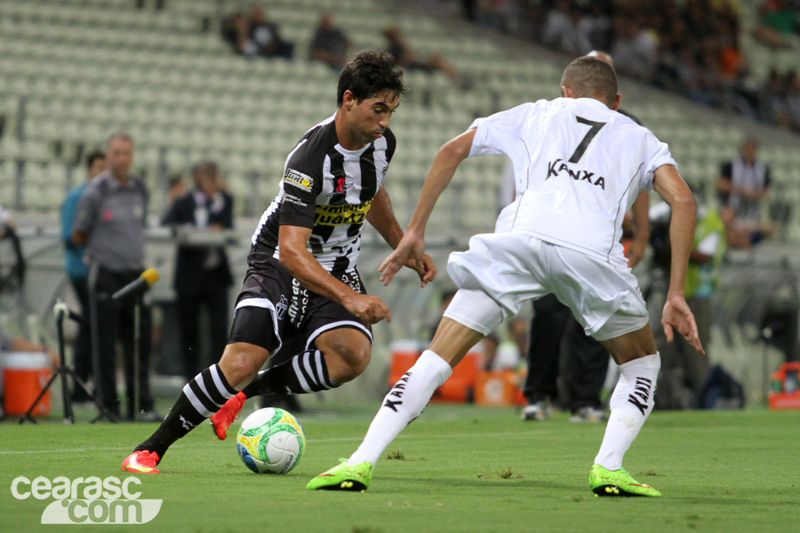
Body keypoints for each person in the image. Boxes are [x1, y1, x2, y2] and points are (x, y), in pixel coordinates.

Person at [308, 55, 703, 497]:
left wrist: (415, 230)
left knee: (437, 358)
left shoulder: (537, 111)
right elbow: (684, 202)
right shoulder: (640, 136)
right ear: (616, 102)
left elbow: (451, 150)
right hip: (592, 256)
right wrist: (674, 293)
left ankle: (361, 460)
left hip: (518, 246)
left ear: (565, 92)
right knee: (641, 365)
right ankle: (609, 467)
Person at [121, 50, 436, 474]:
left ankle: (243, 395)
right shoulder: (308, 160)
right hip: (279, 263)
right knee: (238, 363)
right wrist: (351, 298)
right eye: (378, 110)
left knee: (351, 357)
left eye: (392, 112)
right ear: (348, 99)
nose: (385, 122)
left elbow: (371, 190)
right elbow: (291, 250)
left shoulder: (381, 144)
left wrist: (403, 243)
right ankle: (149, 449)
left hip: (335, 264)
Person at [72, 133, 158, 422]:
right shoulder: (95, 192)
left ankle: (141, 406)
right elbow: (79, 233)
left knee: (138, 342)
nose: (122, 159)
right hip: (105, 274)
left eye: (127, 153)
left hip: (135, 276)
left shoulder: (139, 189)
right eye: (117, 153)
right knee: (105, 345)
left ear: (132, 157)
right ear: (108, 156)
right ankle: (109, 406)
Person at [649, 195, 725, 409]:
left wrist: (674, 244)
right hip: (674, 293)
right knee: (667, 349)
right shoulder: (666, 214)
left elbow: (706, 255)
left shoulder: (710, 220)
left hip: (698, 295)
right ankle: (667, 401)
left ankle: (706, 401)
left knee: (695, 352)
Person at [162, 162, 235, 381]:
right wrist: (191, 231)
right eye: (205, 176)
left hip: (215, 275)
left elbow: (227, 226)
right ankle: (191, 379)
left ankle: (219, 380)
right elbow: (167, 224)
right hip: (189, 277)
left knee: (219, 331)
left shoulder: (224, 200)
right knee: (189, 331)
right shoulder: (184, 202)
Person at [60, 150, 106, 403]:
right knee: (90, 327)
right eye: (98, 167)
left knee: (95, 327)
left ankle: (86, 387)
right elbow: (68, 234)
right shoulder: (77, 197)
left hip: (101, 271)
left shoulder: (105, 197)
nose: (102, 173)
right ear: (89, 170)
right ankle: (79, 388)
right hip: (82, 270)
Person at [717, 138, 776, 249]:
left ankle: (746, 243)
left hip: (751, 212)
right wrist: (741, 191)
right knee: (732, 226)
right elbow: (721, 184)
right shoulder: (731, 165)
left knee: (770, 228)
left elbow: (765, 191)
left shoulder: (762, 168)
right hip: (733, 210)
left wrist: (753, 195)